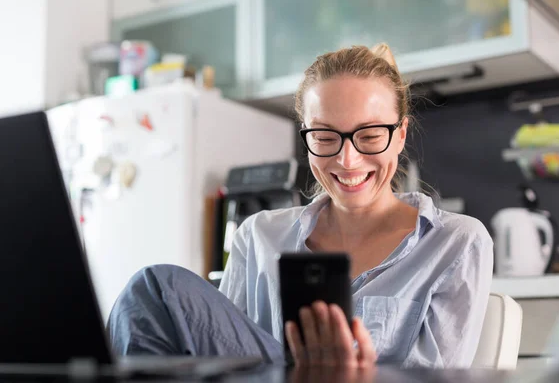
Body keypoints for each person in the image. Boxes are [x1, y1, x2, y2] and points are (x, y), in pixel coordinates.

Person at [107, 43, 493, 368]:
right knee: (153, 289)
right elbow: (223, 358)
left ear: (400, 135)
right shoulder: (258, 236)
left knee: (159, 285)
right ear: (306, 135)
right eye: (325, 137)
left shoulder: (457, 243)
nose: (348, 160)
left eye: (370, 135)